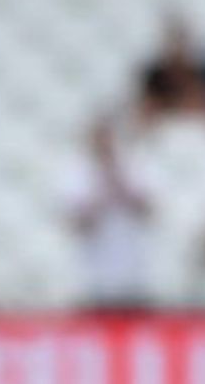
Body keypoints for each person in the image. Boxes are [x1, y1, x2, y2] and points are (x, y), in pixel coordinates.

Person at [62, 117, 158, 312]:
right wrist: (101, 191)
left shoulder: (133, 168)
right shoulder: (76, 173)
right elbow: (78, 223)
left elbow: (148, 210)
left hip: (134, 275)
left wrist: (119, 181)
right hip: (95, 279)